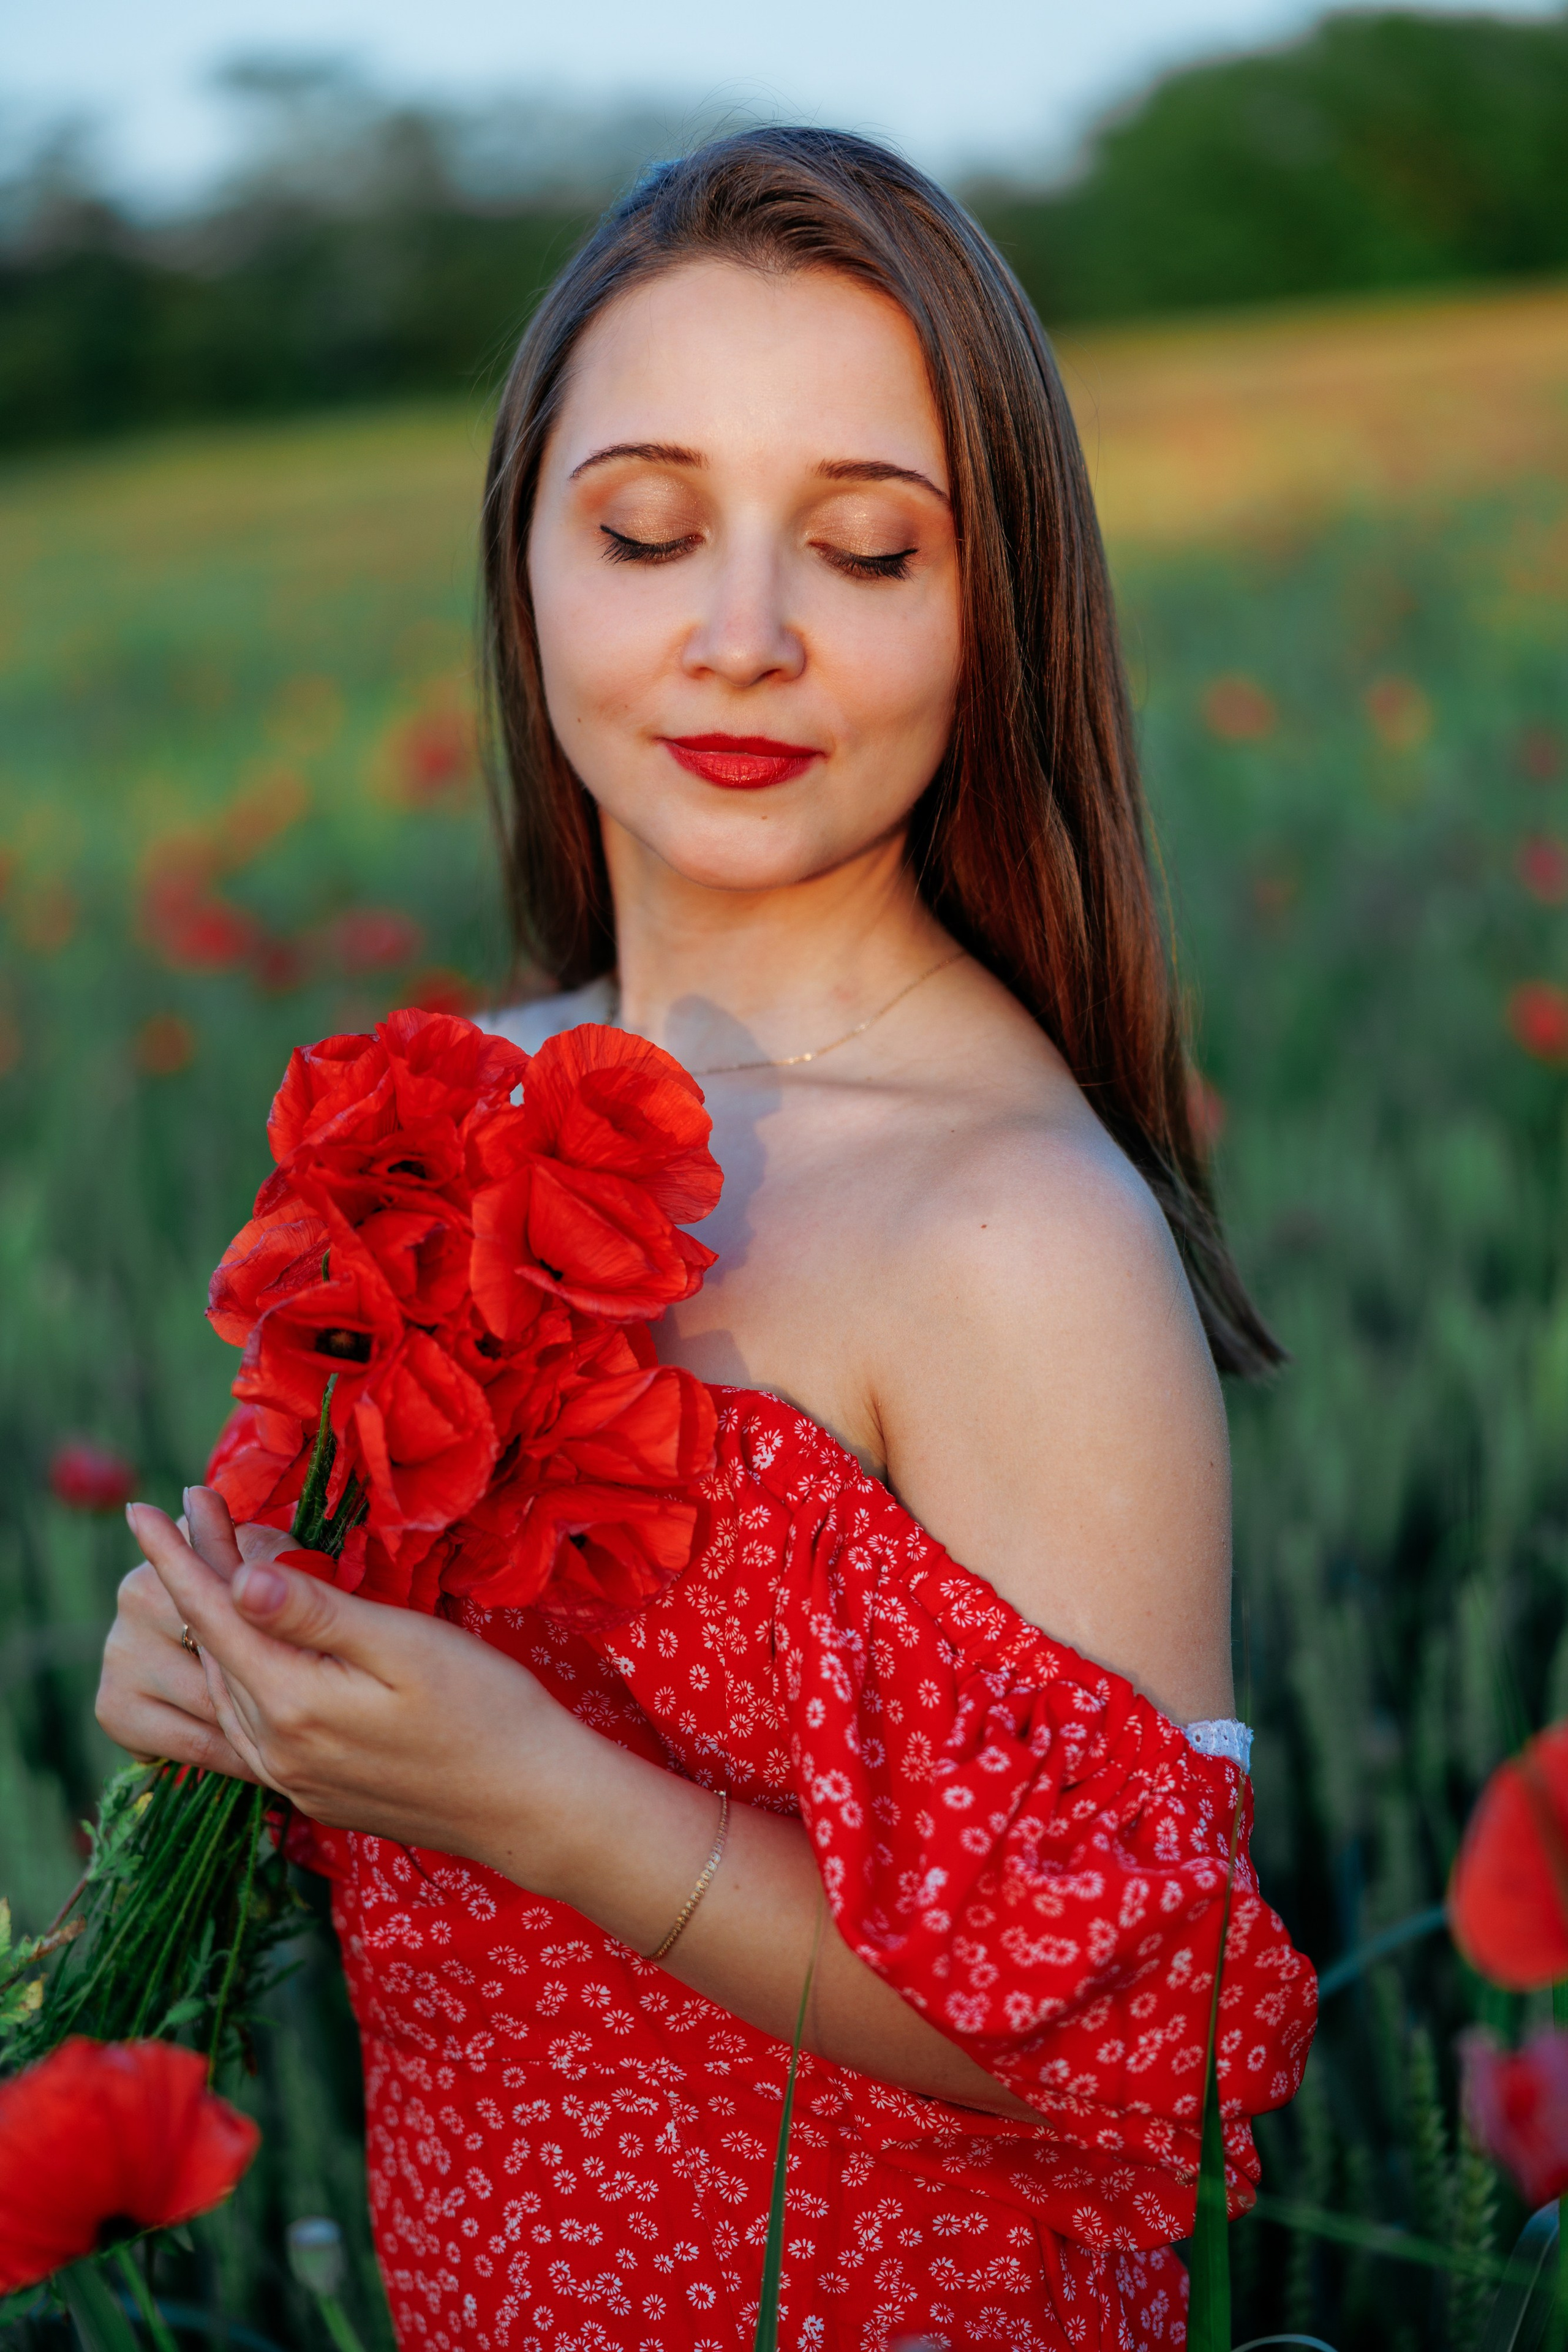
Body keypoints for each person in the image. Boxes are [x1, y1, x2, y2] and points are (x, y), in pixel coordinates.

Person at [99, 129, 1316, 2351]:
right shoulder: (445, 1113)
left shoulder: (1014, 1231)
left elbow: (1159, 2022)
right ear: (526, 565)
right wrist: (238, 1699)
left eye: (867, 549)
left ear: (999, 608)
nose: (742, 639)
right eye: (647, 531)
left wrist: (550, 1803)